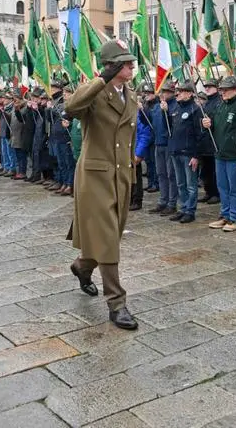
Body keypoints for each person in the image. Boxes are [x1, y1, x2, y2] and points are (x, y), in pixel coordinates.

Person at [63, 39, 139, 330]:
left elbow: (128, 140)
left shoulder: (130, 95)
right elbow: (71, 106)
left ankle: (82, 267)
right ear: (113, 66)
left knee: (111, 236)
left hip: (120, 176)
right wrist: (100, 79)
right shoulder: (95, 94)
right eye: (126, 62)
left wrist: (130, 175)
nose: (132, 66)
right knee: (107, 237)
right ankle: (116, 303)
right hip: (95, 176)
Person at [203, 76, 236, 232]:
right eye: (221, 89)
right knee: (222, 186)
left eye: (226, 89)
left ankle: (235, 218)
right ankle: (225, 215)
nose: (222, 92)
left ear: (235, 89)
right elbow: (215, 127)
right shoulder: (221, 105)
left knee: (235, 188)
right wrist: (207, 125)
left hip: (235, 154)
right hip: (220, 153)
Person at [167, 81, 204, 223]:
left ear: (189, 93)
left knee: (190, 184)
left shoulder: (195, 109)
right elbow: (170, 128)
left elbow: (200, 134)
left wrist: (195, 155)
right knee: (180, 183)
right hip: (176, 151)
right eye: (178, 91)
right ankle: (182, 208)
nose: (178, 94)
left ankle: (190, 210)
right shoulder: (176, 108)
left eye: (182, 91)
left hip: (189, 153)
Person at [149, 84, 178, 216]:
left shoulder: (175, 105)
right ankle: (163, 201)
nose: (163, 94)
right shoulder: (156, 106)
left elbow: (172, 125)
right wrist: (141, 110)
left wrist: (166, 112)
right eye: (162, 91)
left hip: (169, 144)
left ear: (172, 93)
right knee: (161, 173)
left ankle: (172, 203)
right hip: (158, 143)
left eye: (166, 92)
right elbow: (149, 122)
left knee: (170, 175)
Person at [197, 78, 221, 205]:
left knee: (213, 170)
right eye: (206, 86)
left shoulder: (219, 102)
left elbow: (218, 120)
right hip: (205, 142)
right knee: (206, 170)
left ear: (216, 87)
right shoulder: (206, 103)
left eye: (210, 86)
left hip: (214, 141)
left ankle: (216, 193)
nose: (207, 88)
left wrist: (211, 124)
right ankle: (208, 191)